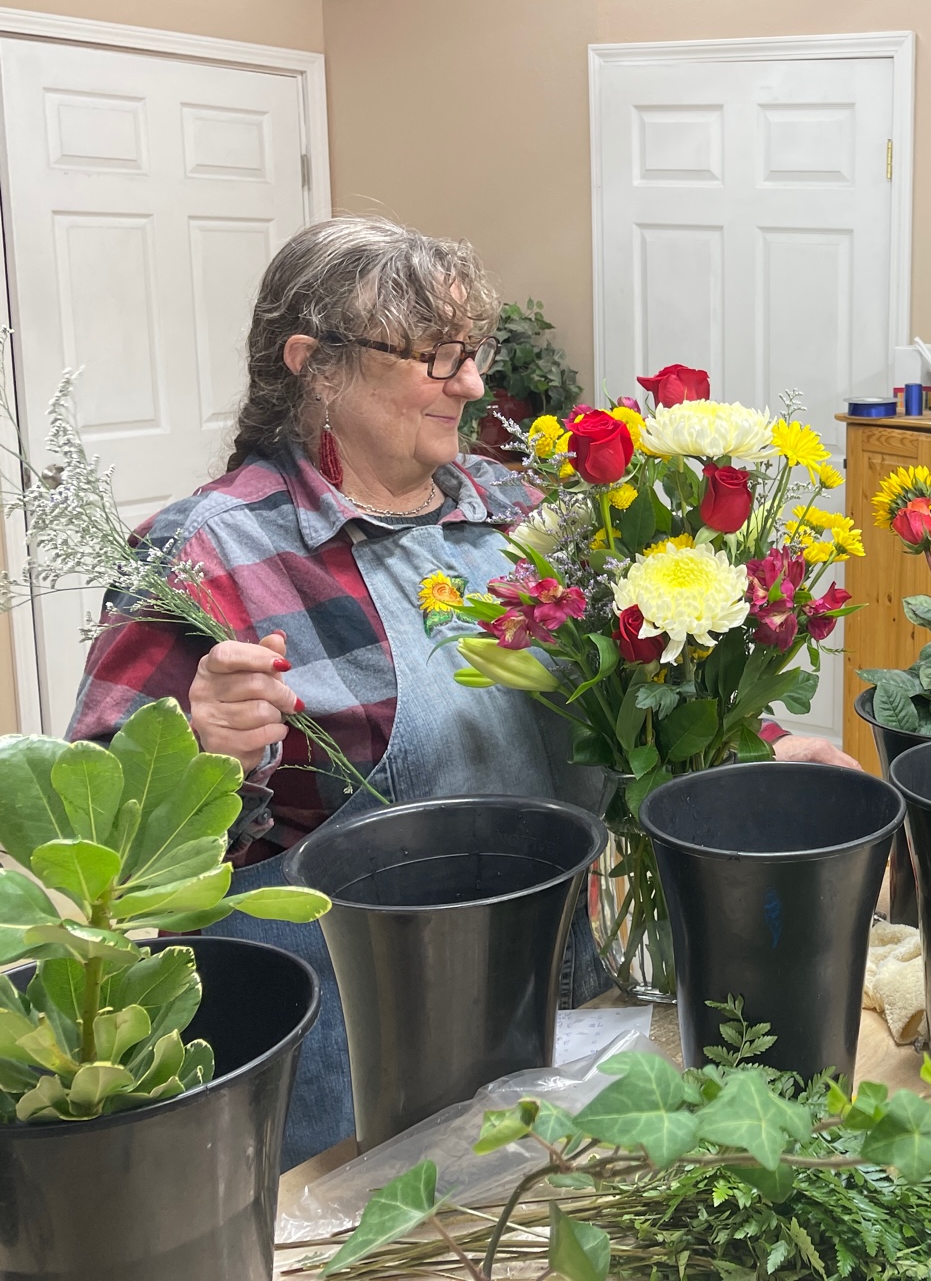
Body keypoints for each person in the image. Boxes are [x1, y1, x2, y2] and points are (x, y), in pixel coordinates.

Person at [70, 215, 854, 1168]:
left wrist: (753, 751)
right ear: (316, 365)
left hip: (567, 1010)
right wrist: (195, 749)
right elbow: (104, 845)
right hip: (352, 1080)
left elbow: (647, 685)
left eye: (469, 352)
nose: (474, 384)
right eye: (437, 359)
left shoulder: (521, 509)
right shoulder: (209, 554)